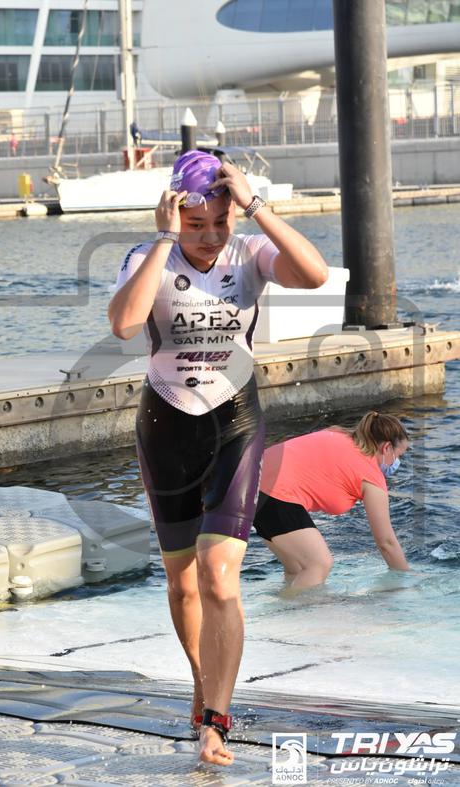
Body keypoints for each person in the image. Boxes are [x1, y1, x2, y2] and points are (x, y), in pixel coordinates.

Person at [108, 150, 328, 766]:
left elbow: (313, 275)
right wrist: (162, 240)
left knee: (218, 574)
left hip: (235, 423)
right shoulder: (147, 255)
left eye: (219, 223)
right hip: (166, 428)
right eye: (195, 224)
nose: (208, 237)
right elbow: (124, 325)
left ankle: (216, 723)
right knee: (183, 584)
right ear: (174, 215)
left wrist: (256, 206)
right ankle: (202, 683)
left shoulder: (249, 252)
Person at [254, 411, 411, 591]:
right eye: (399, 455)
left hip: (248, 483)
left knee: (298, 568)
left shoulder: (337, 433)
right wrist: (404, 579)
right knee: (319, 564)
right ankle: (294, 609)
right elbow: (386, 543)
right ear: (386, 448)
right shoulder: (371, 476)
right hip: (275, 493)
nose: (397, 462)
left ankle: (286, 605)